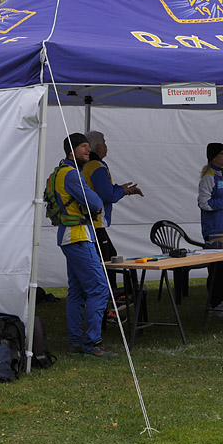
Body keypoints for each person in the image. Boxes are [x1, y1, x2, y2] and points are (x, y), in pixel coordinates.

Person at [52, 132, 120, 357]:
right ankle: (93, 342)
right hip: (78, 235)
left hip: (69, 235)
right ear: (71, 151)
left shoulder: (61, 171)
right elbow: (96, 201)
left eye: (88, 146)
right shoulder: (72, 174)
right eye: (83, 146)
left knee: (77, 291)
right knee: (99, 287)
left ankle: (76, 341)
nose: (88, 149)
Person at [81, 130, 144, 316]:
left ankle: (111, 301)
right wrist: (124, 191)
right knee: (107, 262)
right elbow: (107, 195)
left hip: (91, 223)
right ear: (98, 147)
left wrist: (120, 189)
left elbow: (104, 189)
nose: (107, 146)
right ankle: (109, 304)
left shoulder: (87, 165)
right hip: (96, 223)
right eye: (105, 143)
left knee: (110, 257)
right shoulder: (97, 166)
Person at [197, 142, 223, 319]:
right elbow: (204, 203)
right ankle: (214, 304)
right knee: (216, 269)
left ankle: (218, 302)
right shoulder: (208, 177)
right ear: (213, 157)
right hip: (213, 230)